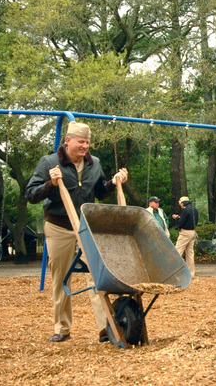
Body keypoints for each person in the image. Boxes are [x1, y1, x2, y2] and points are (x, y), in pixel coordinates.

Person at [24, 121, 128, 343]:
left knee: (98, 275)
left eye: (88, 142)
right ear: (68, 140)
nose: (85, 147)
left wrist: (113, 182)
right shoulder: (49, 162)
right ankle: (62, 328)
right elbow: (31, 194)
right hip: (59, 227)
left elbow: (100, 192)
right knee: (62, 277)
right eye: (81, 142)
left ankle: (106, 327)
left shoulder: (94, 163)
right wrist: (50, 184)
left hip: (85, 226)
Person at [172, 196, 198, 275]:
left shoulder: (185, 210)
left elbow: (181, 222)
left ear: (182, 203)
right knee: (190, 253)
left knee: (178, 251)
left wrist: (176, 218)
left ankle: (175, 272)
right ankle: (191, 273)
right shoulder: (194, 209)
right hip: (193, 232)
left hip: (185, 233)